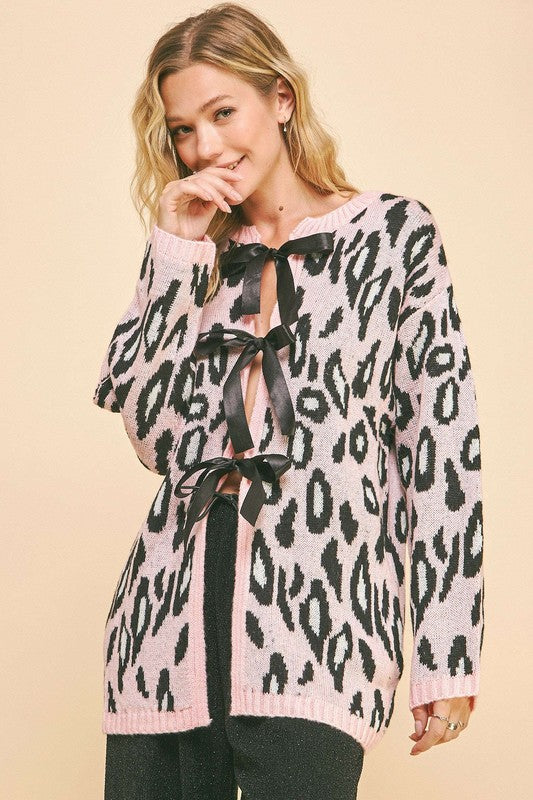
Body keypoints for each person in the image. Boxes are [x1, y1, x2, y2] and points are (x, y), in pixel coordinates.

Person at [93, 3, 485, 798]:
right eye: (182, 130)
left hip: (321, 630)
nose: (205, 147)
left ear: (280, 98)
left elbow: (442, 444)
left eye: (221, 113)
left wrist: (447, 650)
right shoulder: (192, 254)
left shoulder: (394, 236)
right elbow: (154, 439)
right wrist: (174, 254)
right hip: (164, 633)